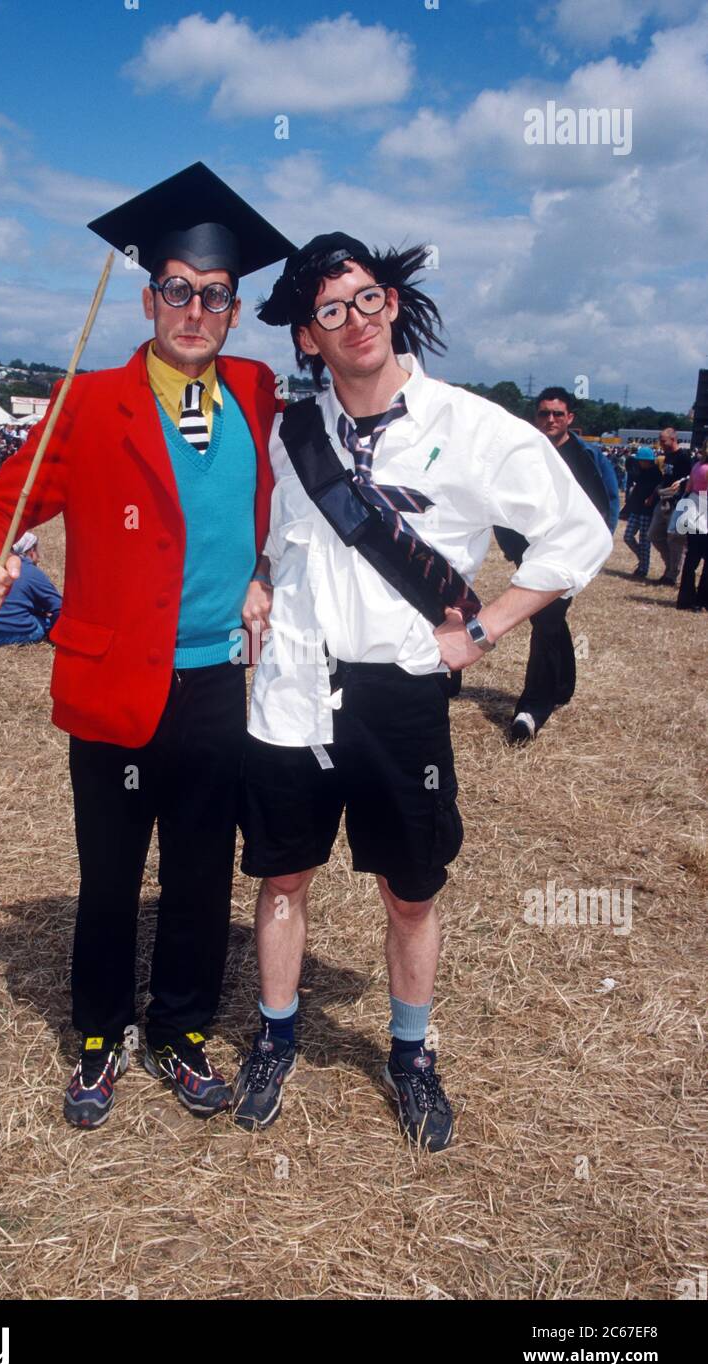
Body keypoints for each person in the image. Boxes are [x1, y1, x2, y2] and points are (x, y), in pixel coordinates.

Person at [232, 233, 612, 1149]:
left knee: (411, 890)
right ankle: (276, 1036)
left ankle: (410, 1055)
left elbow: (578, 536)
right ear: (307, 337)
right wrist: (261, 577)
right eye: (330, 311)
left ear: (393, 304)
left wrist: (483, 630)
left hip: (401, 693)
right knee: (283, 875)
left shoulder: (474, 427)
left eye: (367, 299)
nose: (354, 321)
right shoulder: (293, 434)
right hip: (292, 688)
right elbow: (285, 535)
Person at [0, 163, 294, 1130]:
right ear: (148, 297)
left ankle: (181, 1029)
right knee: (108, 877)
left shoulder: (261, 393)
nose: (193, 308)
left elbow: (296, 498)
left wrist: (269, 569)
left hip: (221, 685)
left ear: (234, 310)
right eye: (177, 289)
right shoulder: (88, 402)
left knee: (199, 873)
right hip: (111, 683)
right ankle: (100, 1036)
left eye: (213, 294)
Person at [493, 386, 619, 742]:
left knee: (546, 619)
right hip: (531, 554)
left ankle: (532, 708)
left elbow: (606, 503)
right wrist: (510, 548)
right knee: (549, 619)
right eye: (544, 413)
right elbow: (505, 502)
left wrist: (594, 552)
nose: (550, 419)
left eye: (557, 414)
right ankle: (562, 685)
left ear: (570, 418)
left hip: (570, 555)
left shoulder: (589, 457)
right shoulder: (525, 454)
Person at [0, 531, 62, 645]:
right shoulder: (31, 571)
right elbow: (58, 606)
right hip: (19, 634)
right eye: (37, 551)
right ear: (31, 552)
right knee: (48, 621)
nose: (39, 557)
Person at [647, 427, 691, 586]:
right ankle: (670, 565)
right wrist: (653, 494)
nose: (661, 444)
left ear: (673, 439)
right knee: (654, 535)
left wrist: (681, 484)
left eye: (663, 441)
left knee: (675, 539)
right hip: (663, 499)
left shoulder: (684, 458)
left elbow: (691, 478)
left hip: (678, 502)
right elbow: (665, 477)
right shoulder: (667, 457)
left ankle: (672, 574)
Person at [676, 449, 708, 611]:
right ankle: (702, 600)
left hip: (695, 507)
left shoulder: (697, 466)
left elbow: (689, 488)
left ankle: (685, 599)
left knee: (691, 558)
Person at [622, 447, 660, 578]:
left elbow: (657, 490)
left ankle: (643, 568)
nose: (639, 462)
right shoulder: (641, 471)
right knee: (627, 536)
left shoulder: (656, 473)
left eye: (641, 460)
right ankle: (643, 559)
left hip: (647, 511)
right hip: (636, 509)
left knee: (644, 540)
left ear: (647, 460)